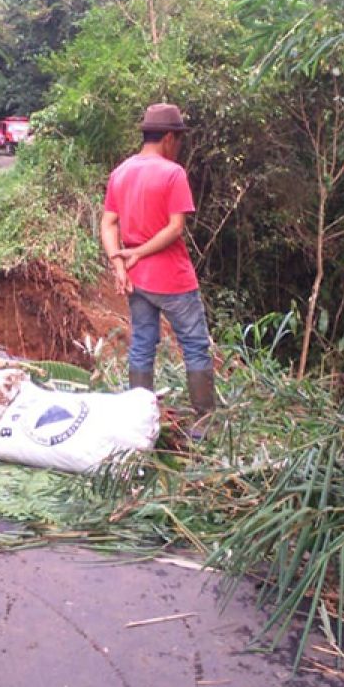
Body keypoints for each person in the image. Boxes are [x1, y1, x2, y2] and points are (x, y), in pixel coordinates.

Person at [101, 103, 215, 441]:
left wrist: (119, 261)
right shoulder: (172, 173)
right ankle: (204, 424)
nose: (178, 146)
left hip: (138, 281)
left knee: (142, 345)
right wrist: (136, 252)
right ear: (168, 137)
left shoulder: (120, 172)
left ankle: (141, 421)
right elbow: (175, 228)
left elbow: (108, 223)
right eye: (177, 139)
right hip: (172, 278)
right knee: (194, 345)